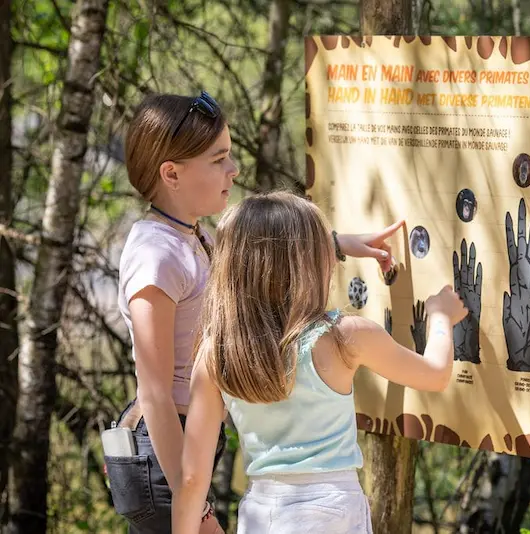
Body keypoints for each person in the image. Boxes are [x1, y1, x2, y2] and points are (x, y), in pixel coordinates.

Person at [106, 90, 403, 533]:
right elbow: (156, 397)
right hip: (166, 461)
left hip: (188, 451)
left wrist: (336, 244)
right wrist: (199, 510)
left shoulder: (191, 236)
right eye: (217, 159)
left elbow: (256, 259)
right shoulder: (157, 258)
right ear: (172, 173)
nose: (233, 169)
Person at [172, 192, 468, 533]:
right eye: (325, 251)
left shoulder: (216, 353)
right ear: (307, 265)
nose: (334, 260)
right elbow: (435, 375)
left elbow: (193, 478)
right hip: (333, 508)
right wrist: (441, 317)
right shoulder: (344, 336)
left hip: (263, 513)